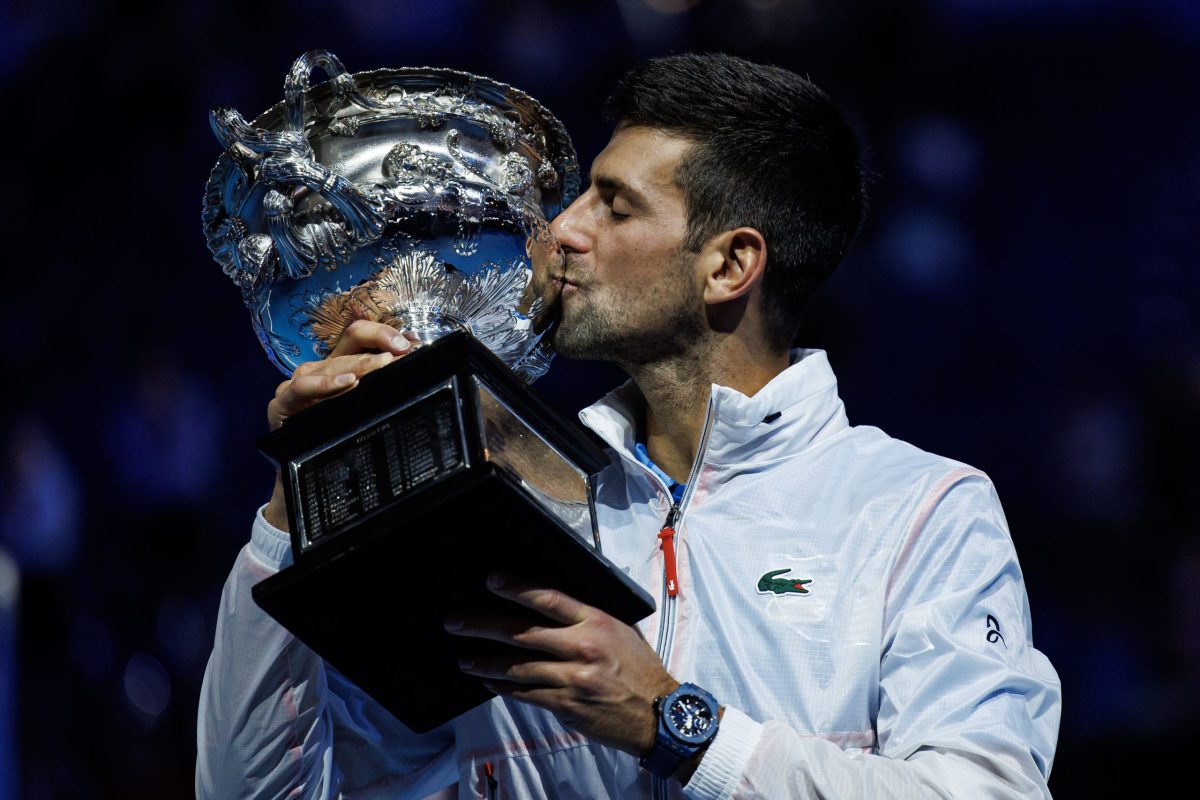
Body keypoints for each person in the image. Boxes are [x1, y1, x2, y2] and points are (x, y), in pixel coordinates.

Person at [197, 52, 1061, 799]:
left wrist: (677, 727)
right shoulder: (499, 497)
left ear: (730, 264)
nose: (560, 231)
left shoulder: (918, 512)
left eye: (613, 205)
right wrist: (293, 507)